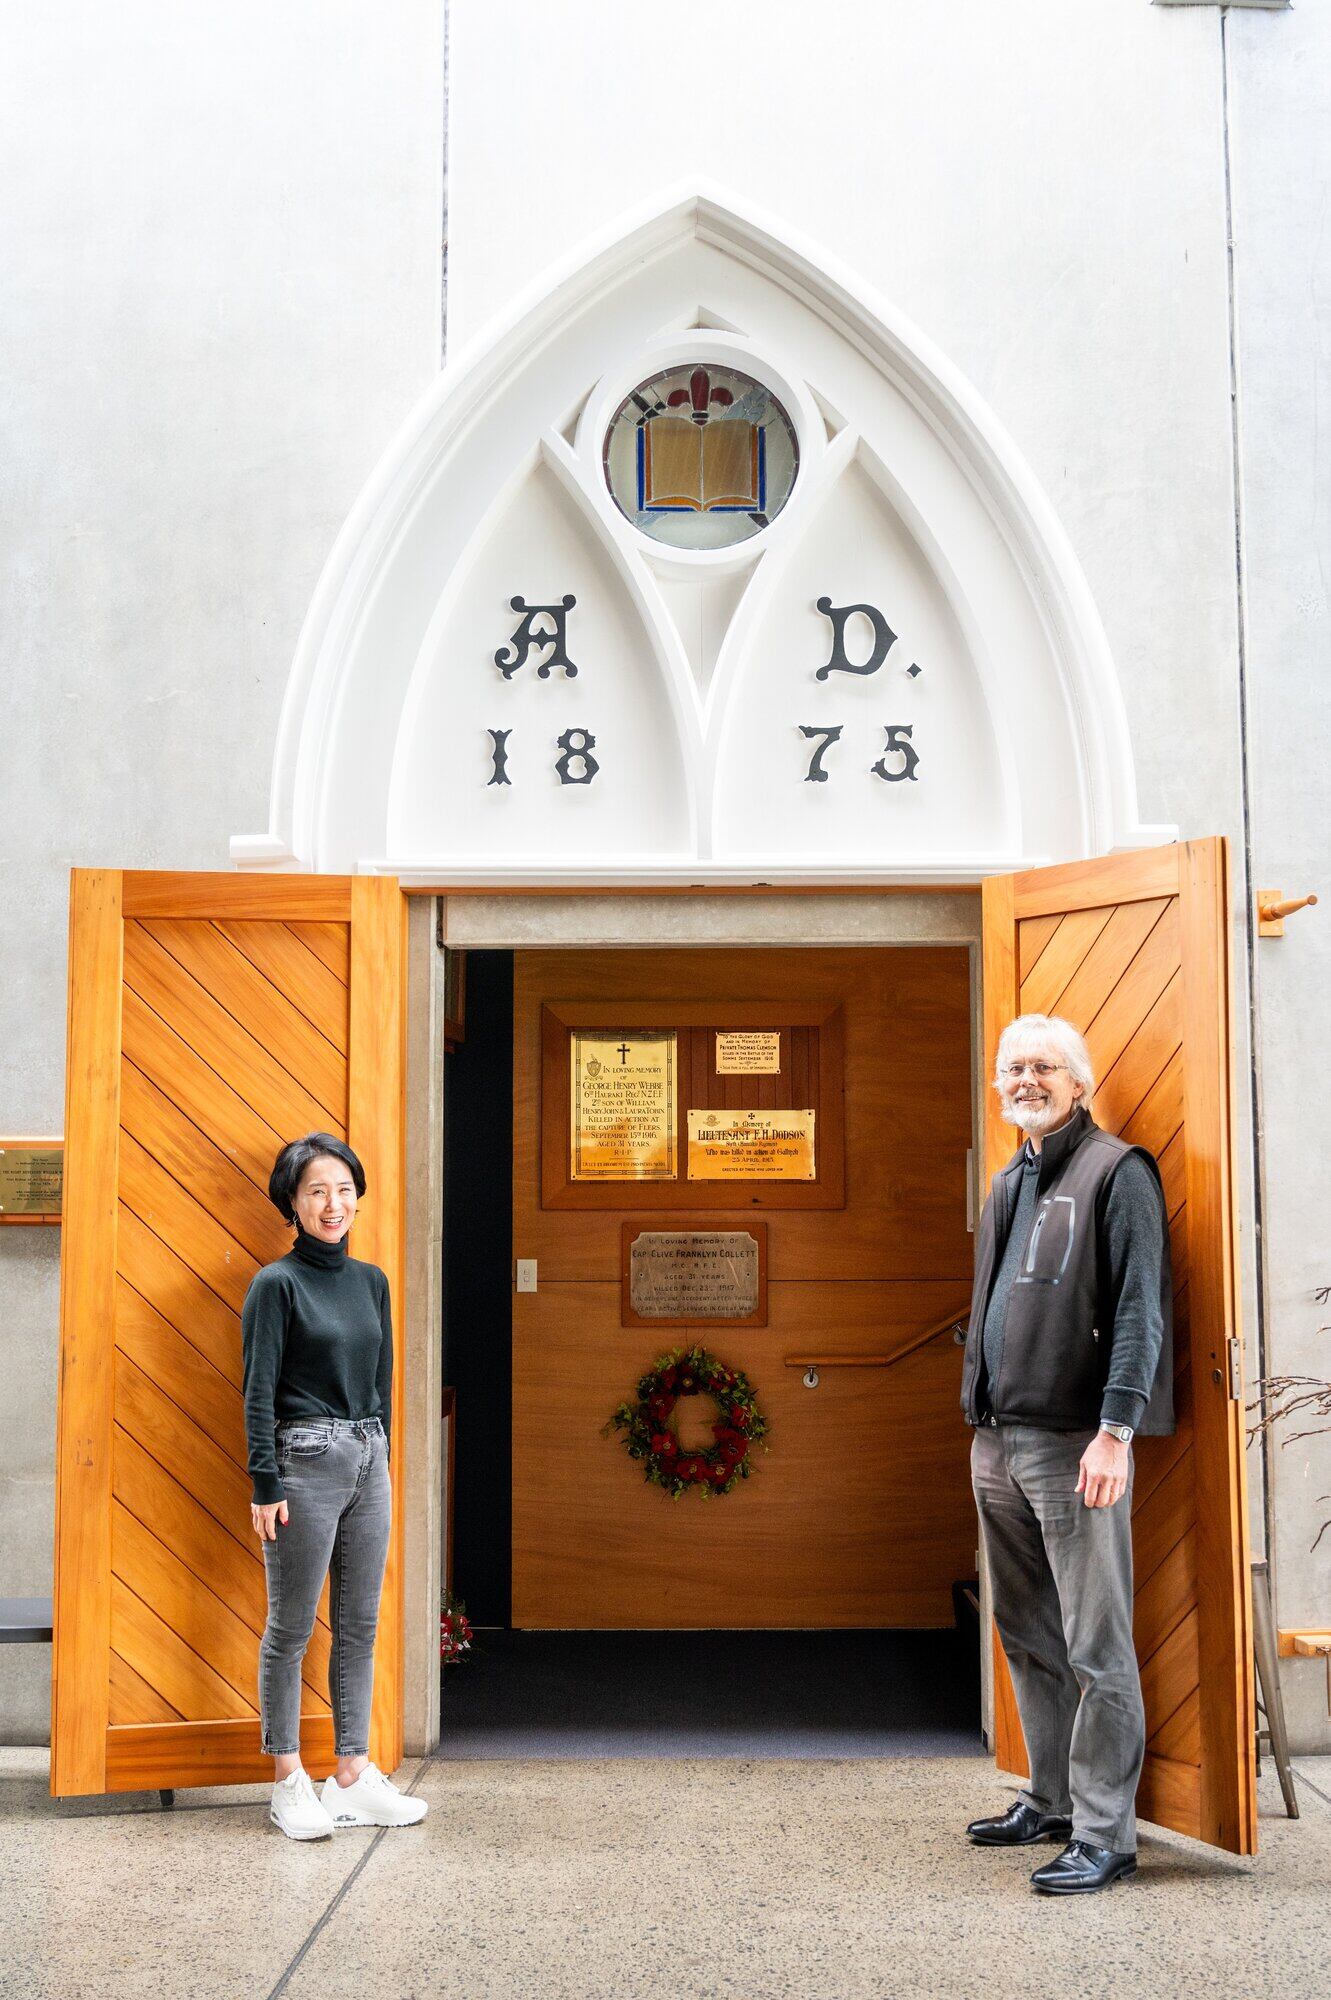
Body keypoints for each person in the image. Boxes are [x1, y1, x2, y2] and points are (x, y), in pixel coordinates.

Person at [960, 1013, 1173, 1895]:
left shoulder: (1115, 1172)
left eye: (1044, 1068)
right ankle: (1046, 1798)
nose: (1026, 1081)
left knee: (1095, 1643)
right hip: (996, 1440)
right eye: (1013, 1069)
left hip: (1073, 1444)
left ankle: (1104, 1834)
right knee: (1024, 1632)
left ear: (1079, 1082)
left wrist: (1115, 1432)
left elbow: (1138, 1310)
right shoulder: (1011, 1178)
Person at [242, 1132, 427, 1840]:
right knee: (290, 1628)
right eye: (316, 1191)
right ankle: (288, 1779)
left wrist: (378, 1456)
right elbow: (258, 1391)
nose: (333, 1203)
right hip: (301, 1461)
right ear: (291, 1202)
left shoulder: (370, 1280)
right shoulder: (276, 1284)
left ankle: (350, 1774)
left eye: (343, 1189)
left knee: (358, 1623)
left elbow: (379, 1384)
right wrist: (266, 1482)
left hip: (365, 1457)